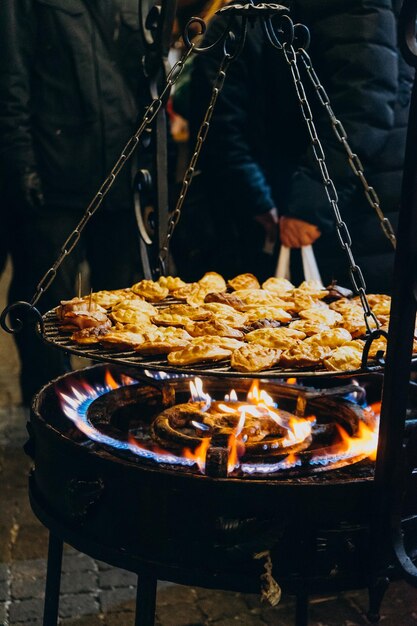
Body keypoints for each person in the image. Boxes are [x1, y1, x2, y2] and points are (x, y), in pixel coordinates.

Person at [189, 0, 413, 289]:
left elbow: (363, 99)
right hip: (343, 187)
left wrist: (310, 203)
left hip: (361, 196)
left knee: (354, 322)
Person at [0, 0, 148, 404]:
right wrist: (22, 168)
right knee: (46, 316)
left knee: (126, 318)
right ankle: (47, 425)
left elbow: (145, 85)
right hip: (54, 183)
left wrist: (148, 167)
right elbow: (10, 83)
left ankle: (120, 420)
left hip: (119, 182)